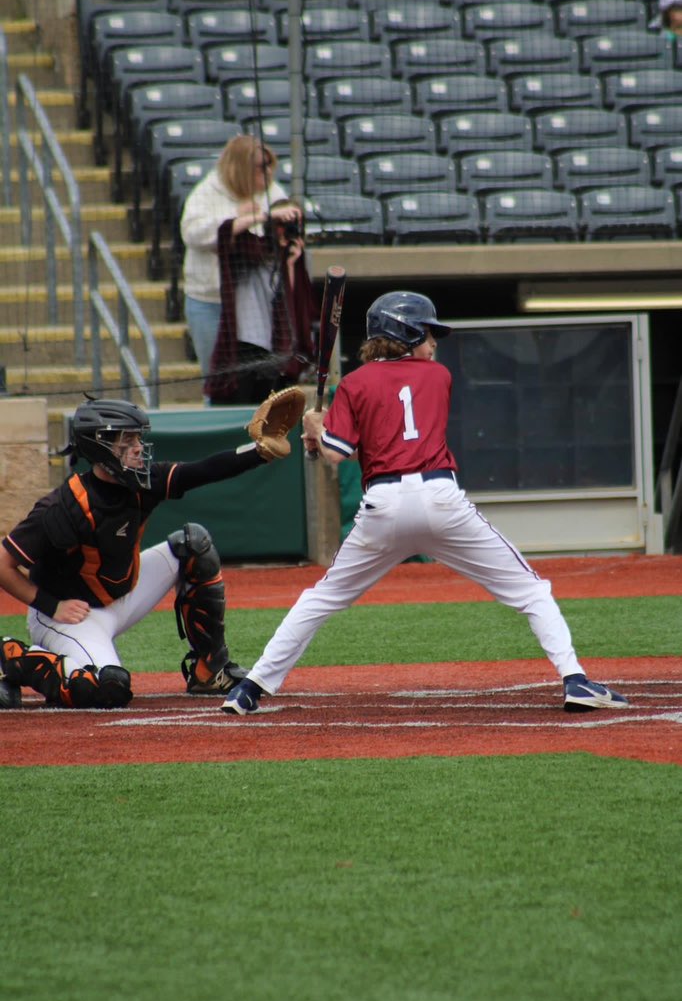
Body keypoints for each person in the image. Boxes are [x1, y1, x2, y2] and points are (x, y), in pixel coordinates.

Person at [221, 291, 629, 717]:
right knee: (530, 590)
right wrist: (322, 432)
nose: (433, 343)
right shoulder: (438, 376)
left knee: (322, 598)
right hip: (440, 500)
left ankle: (250, 687)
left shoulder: (356, 383)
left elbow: (339, 453)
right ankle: (575, 679)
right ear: (406, 333)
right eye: (428, 334)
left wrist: (317, 430)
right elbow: (390, 435)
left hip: (383, 506)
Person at [0, 396, 281, 710]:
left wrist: (260, 452)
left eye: (138, 438)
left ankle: (209, 672)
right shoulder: (63, 507)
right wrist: (51, 605)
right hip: (70, 616)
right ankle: (12, 657)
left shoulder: (142, 482)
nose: (138, 447)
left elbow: (202, 470)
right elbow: (3, 564)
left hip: (121, 595)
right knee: (108, 690)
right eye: (128, 440)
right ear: (100, 445)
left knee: (194, 544)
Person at [180, 135, 315, 399]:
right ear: (242, 167)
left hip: (254, 304)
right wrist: (241, 218)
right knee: (217, 381)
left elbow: (284, 223)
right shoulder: (207, 192)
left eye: (270, 165)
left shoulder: (271, 190)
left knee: (262, 380)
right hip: (209, 300)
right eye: (260, 166)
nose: (267, 172)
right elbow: (193, 234)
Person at [207, 195, 318, 405]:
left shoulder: (294, 262)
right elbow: (226, 232)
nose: (288, 229)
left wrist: (291, 264)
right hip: (243, 346)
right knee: (239, 411)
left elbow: (293, 308)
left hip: (273, 350)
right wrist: (266, 215)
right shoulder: (250, 248)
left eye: (294, 224)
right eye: (281, 223)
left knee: (266, 417)